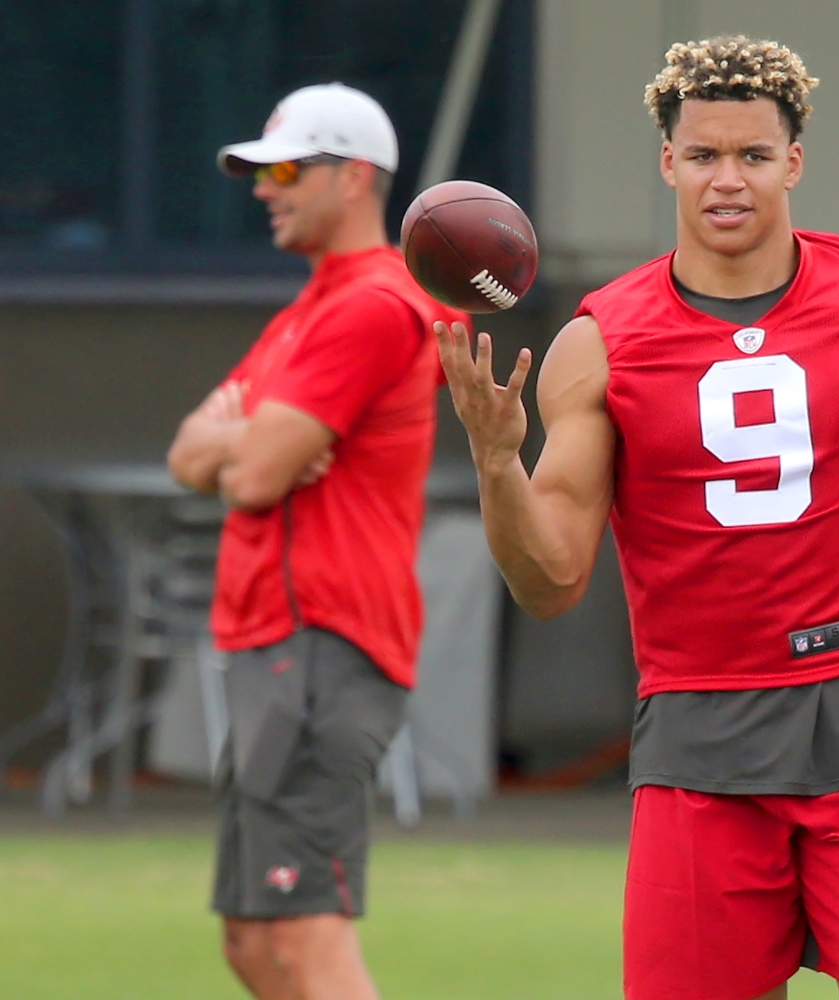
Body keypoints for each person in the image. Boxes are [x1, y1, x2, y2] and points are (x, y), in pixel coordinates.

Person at [439, 37, 839, 1000]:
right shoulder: (600, 345)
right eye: (706, 155)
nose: (729, 181)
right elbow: (550, 580)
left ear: (794, 163)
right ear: (669, 162)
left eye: (754, 156)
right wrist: (494, 460)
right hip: (702, 729)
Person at [167, 82, 465, 1000]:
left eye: (289, 169)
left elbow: (252, 476)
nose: (266, 189)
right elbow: (189, 453)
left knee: (305, 934)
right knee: (254, 941)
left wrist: (248, 440)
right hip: (277, 644)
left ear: (357, 179)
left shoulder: (370, 304)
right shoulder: (310, 309)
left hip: (321, 641)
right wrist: (249, 436)